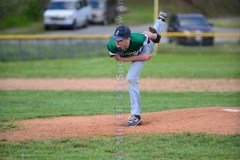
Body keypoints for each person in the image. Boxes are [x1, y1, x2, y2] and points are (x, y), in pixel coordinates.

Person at [107, 11, 167, 126]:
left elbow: (157, 39)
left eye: (120, 40)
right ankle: (160, 20)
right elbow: (119, 59)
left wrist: (151, 35)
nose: (117, 42)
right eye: (116, 39)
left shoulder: (139, 39)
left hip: (144, 48)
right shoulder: (112, 45)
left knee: (131, 78)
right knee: (131, 77)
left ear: (128, 38)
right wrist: (141, 57)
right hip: (138, 54)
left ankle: (136, 116)